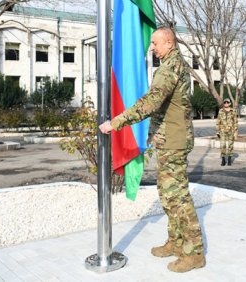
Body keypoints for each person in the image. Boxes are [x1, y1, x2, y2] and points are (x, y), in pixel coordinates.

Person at [99, 27, 205, 273]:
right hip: (170, 139)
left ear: (169, 43)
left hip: (173, 141)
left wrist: (116, 122)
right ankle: (177, 242)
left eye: (156, 44)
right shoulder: (174, 63)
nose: (153, 49)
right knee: (168, 195)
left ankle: (194, 252)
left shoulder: (169, 69)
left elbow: (150, 102)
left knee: (178, 197)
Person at [217, 98, 238, 166]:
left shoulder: (233, 111)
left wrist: (235, 132)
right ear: (223, 104)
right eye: (225, 102)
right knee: (222, 145)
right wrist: (217, 131)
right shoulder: (220, 111)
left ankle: (229, 159)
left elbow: (235, 122)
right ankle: (223, 159)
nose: (226, 103)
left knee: (230, 145)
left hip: (231, 131)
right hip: (222, 131)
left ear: (230, 103)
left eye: (227, 102)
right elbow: (218, 122)